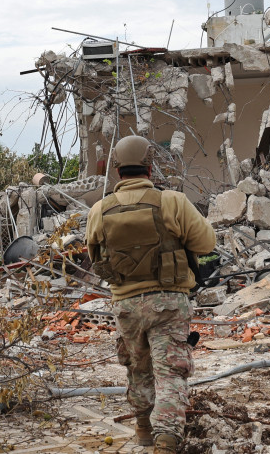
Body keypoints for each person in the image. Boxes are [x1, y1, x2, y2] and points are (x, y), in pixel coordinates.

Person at [86, 135, 216, 454]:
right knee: (170, 371)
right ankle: (167, 439)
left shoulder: (99, 211)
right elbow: (207, 243)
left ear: (117, 171)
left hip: (127, 306)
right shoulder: (172, 202)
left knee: (137, 367)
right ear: (150, 167)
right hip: (169, 303)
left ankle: (143, 428)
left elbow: (95, 258)